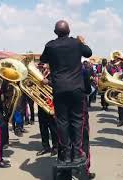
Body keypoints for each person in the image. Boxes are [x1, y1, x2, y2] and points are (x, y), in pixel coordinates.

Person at [40, 20, 92, 165]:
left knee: (62, 122)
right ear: (69, 31)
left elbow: (43, 59)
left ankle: (66, 154)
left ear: (55, 32)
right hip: (76, 89)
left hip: (59, 89)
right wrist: (81, 41)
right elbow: (88, 53)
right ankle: (77, 154)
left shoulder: (50, 45)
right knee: (77, 121)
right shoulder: (76, 43)